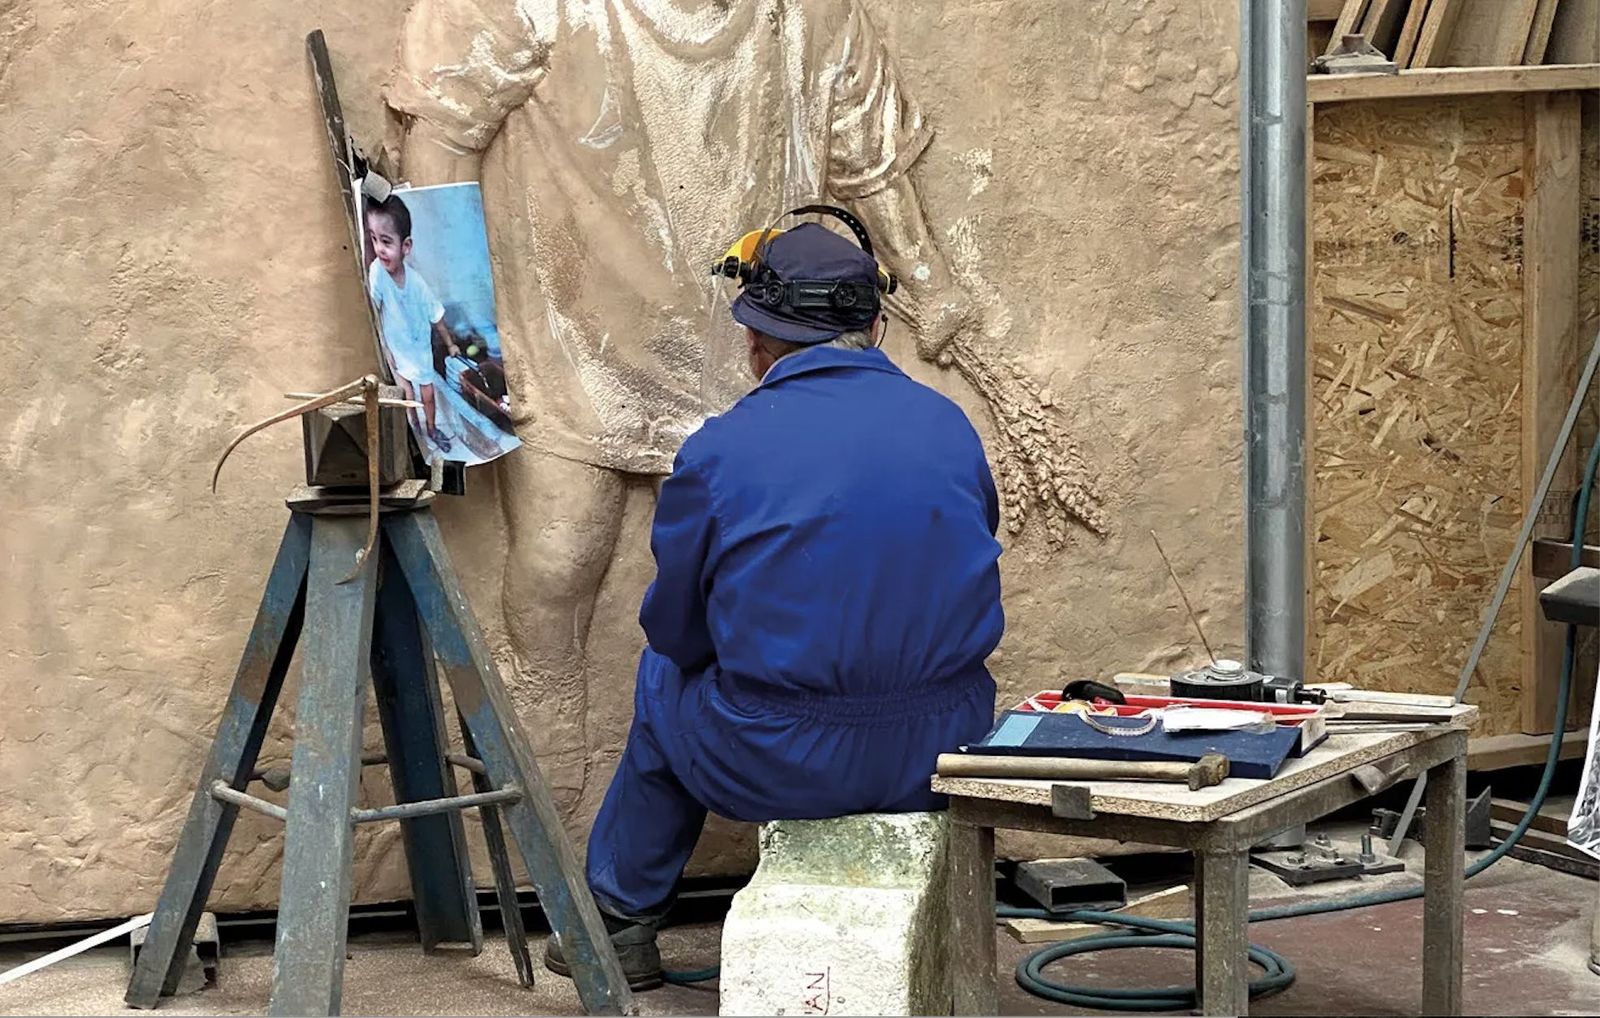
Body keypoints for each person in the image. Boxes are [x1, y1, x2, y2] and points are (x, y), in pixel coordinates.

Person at [386, 0, 1100, 818]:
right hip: (566, 326)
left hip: (737, 342)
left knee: (767, 578)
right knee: (555, 566)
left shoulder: (815, 15)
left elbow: (867, 161)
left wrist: (931, 283)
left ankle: (618, 876)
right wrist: (458, 329)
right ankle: (541, 819)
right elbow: (441, 133)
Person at [541, 220, 1005, 988]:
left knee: (662, 677)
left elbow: (677, 632)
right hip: (940, 755)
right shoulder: (950, 426)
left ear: (756, 342)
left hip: (783, 763)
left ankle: (619, 925)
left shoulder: (720, 451)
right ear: (876, 325)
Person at [365, 193, 462, 453]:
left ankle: (431, 429)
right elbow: (374, 312)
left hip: (419, 350)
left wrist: (450, 345)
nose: (379, 249)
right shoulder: (377, 273)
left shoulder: (417, 283)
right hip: (396, 349)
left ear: (406, 246)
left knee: (427, 395)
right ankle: (415, 433)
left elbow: (436, 316)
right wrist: (385, 349)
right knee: (406, 394)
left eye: (386, 241)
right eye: (374, 239)